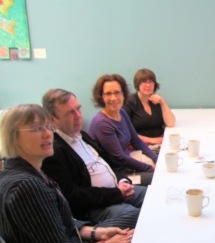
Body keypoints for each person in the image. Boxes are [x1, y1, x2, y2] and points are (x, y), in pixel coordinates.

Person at [0, 104, 134, 243]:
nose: (48, 134)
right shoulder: (26, 186)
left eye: (48, 126)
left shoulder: (25, 172)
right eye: (36, 128)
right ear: (12, 137)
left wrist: (96, 232)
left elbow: (54, 222)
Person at [41, 89, 146, 228]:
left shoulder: (82, 135)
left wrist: (123, 180)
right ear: (53, 120)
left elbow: (109, 164)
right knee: (137, 215)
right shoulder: (53, 152)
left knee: (154, 195)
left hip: (116, 189)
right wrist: (117, 193)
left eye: (78, 109)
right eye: (70, 112)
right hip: (94, 207)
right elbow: (73, 196)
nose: (78, 116)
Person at [89, 74, 157, 186]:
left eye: (117, 92)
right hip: (119, 175)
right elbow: (120, 158)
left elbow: (136, 141)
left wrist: (156, 159)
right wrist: (150, 168)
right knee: (157, 178)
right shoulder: (102, 123)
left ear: (123, 94)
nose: (113, 98)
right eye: (108, 93)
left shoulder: (122, 113)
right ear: (101, 97)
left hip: (129, 163)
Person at [124, 68, 175, 148]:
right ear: (137, 84)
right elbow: (125, 131)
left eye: (150, 82)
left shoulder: (156, 100)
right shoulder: (129, 102)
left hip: (160, 143)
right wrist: (151, 140)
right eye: (144, 82)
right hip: (140, 145)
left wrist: (162, 102)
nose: (148, 85)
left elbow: (170, 123)